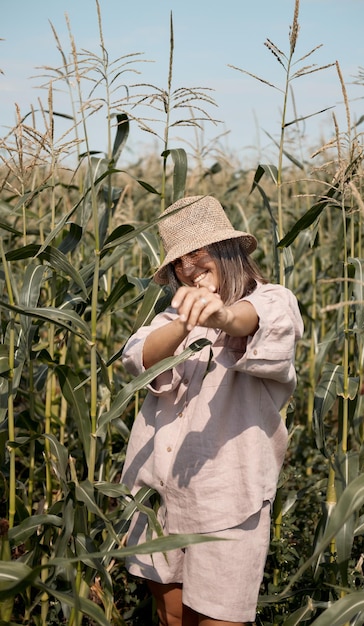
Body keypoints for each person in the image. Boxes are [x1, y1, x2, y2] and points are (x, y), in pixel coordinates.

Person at [121, 195, 303, 626]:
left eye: (198, 253)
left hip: (227, 502)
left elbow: (252, 322)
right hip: (155, 495)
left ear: (227, 250)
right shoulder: (173, 315)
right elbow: (137, 358)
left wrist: (220, 316)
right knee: (170, 616)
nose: (188, 268)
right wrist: (187, 322)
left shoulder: (274, 301)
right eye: (179, 261)